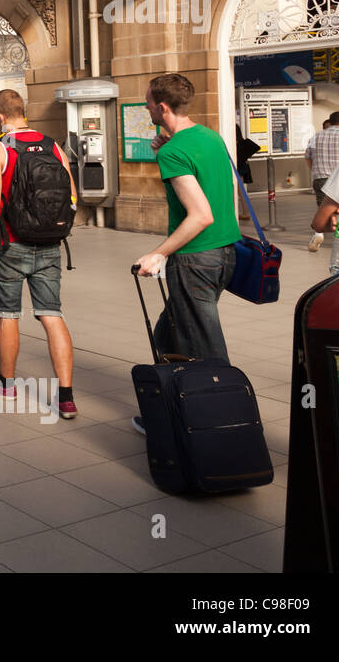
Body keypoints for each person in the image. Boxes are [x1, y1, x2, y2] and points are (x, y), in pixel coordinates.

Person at [132, 74, 242, 435]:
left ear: (162, 107)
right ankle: (167, 415)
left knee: (206, 351)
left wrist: (157, 254)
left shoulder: (174, 151)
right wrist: (165, 147)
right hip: (226, 253)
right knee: (167, 337)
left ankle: (224, 425)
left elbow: (201, 214)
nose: (147, 107)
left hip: (195, 260)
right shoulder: (209, 137)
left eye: (148, 103)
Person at [0, 88, 78, 419]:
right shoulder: (52, 147)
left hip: (10, 243)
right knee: (52, 314)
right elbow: (73, 197)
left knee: (8, 314)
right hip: (50, 244)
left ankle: (6, 383)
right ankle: (65, 397)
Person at [305, 111, 339, 252]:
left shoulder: (315, 137)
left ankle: (319, 235)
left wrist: (315, 171)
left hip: (321, 176)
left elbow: (308, 156)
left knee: (326, 211)